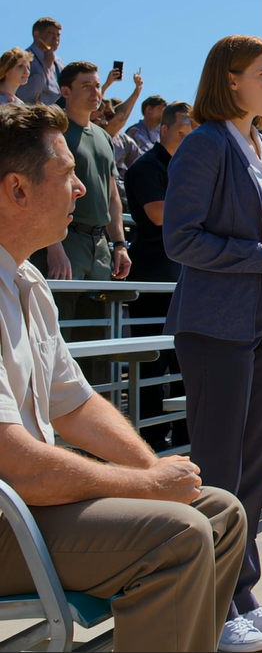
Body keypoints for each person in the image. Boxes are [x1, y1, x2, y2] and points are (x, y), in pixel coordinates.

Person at [0, 102, 246, 653]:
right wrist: (146, 487)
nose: (82, 190)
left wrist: (153, 469)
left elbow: (76, 405)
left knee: (219, 512)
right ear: (17, 189)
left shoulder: (27, 281)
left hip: (24, 507)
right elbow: (16, 464)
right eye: (67, 176)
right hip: (6, 516)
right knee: (178, 536)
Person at [162, 34, 262, 653]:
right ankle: (214, 596)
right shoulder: (205, 144)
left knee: (254, 462)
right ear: (230, 80)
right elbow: (181, 239)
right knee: (220, 463)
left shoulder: (261, 146)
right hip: (215, 322)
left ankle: (242, 590)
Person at [30, 61, 131, 349]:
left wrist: (119, 245)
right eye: (85, 86)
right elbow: (42, 189)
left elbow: (112, 195)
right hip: (66, 239)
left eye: (97, 85)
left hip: (98, 245)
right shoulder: (53, 133)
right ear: (65, 91)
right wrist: (53, 245)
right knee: (61, 332)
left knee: (97, 337)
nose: (95, 92)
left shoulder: (102, 136)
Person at [124, 102, 194, 451]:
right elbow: (158, 214)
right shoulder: (146, 166)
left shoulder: (190, 169)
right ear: (162, 130)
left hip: (183, 277)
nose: (187, 140)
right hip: (153, 275)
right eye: (182, 133)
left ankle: (183, 437)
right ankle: (151, 441)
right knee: (152, 364)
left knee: (185, 362)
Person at [17, 17, 63, 106]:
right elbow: (23, 95)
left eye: (58, 35)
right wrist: (46, 68)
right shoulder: (24, 59)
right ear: (36, 34)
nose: (56, 38)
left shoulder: (58, 64)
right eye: (50, 33)